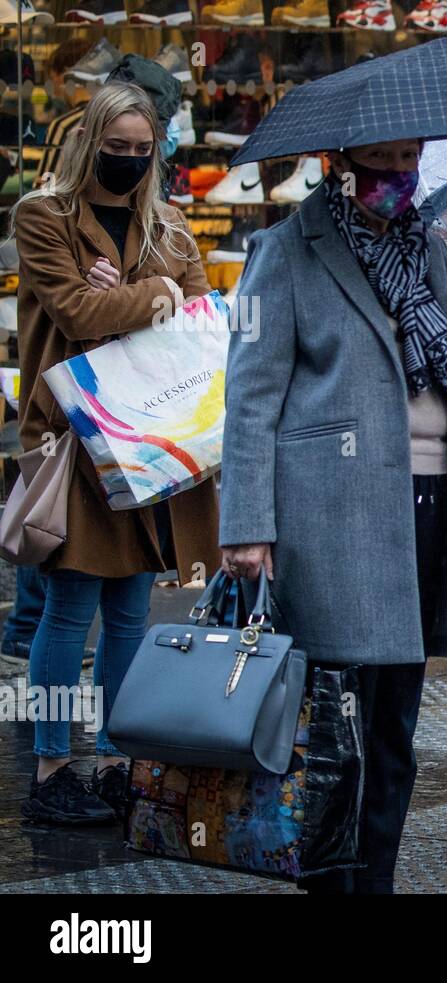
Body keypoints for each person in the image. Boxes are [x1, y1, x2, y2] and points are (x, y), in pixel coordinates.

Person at [219, 136, 447, 893]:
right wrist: (246, 523)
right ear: (339, 163)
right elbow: (247, 396)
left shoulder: (433, 249)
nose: (399, 178)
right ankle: (330, 883)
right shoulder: (283, 252)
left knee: (394, 733)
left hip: (428, 505)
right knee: (334, 732)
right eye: (383, 164)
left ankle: (375, 878)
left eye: (410, 161)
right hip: (334, 517)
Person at [13, 82, 219, 825]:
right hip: (72, 438)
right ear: (89, 141)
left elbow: (195, 320)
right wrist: (154, 291)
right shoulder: (42, 216)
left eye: (142, 151)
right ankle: (51, 766)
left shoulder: (168, 226)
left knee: (132, 606)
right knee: (68, 608)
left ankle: (112, 757)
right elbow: (75, 311)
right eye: (117, 148)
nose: (129, 161)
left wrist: (135, 289)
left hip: (149, 434)